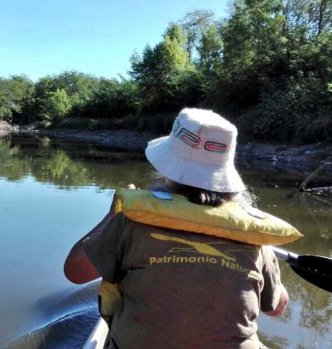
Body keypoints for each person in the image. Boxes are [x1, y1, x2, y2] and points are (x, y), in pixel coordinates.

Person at [64, 108, 302, 349]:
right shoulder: (252, 235)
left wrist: (113, 214)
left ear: (166, 169)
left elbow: (75, 272)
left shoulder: (132, 221)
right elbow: (276, 308)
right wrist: (273, 279)